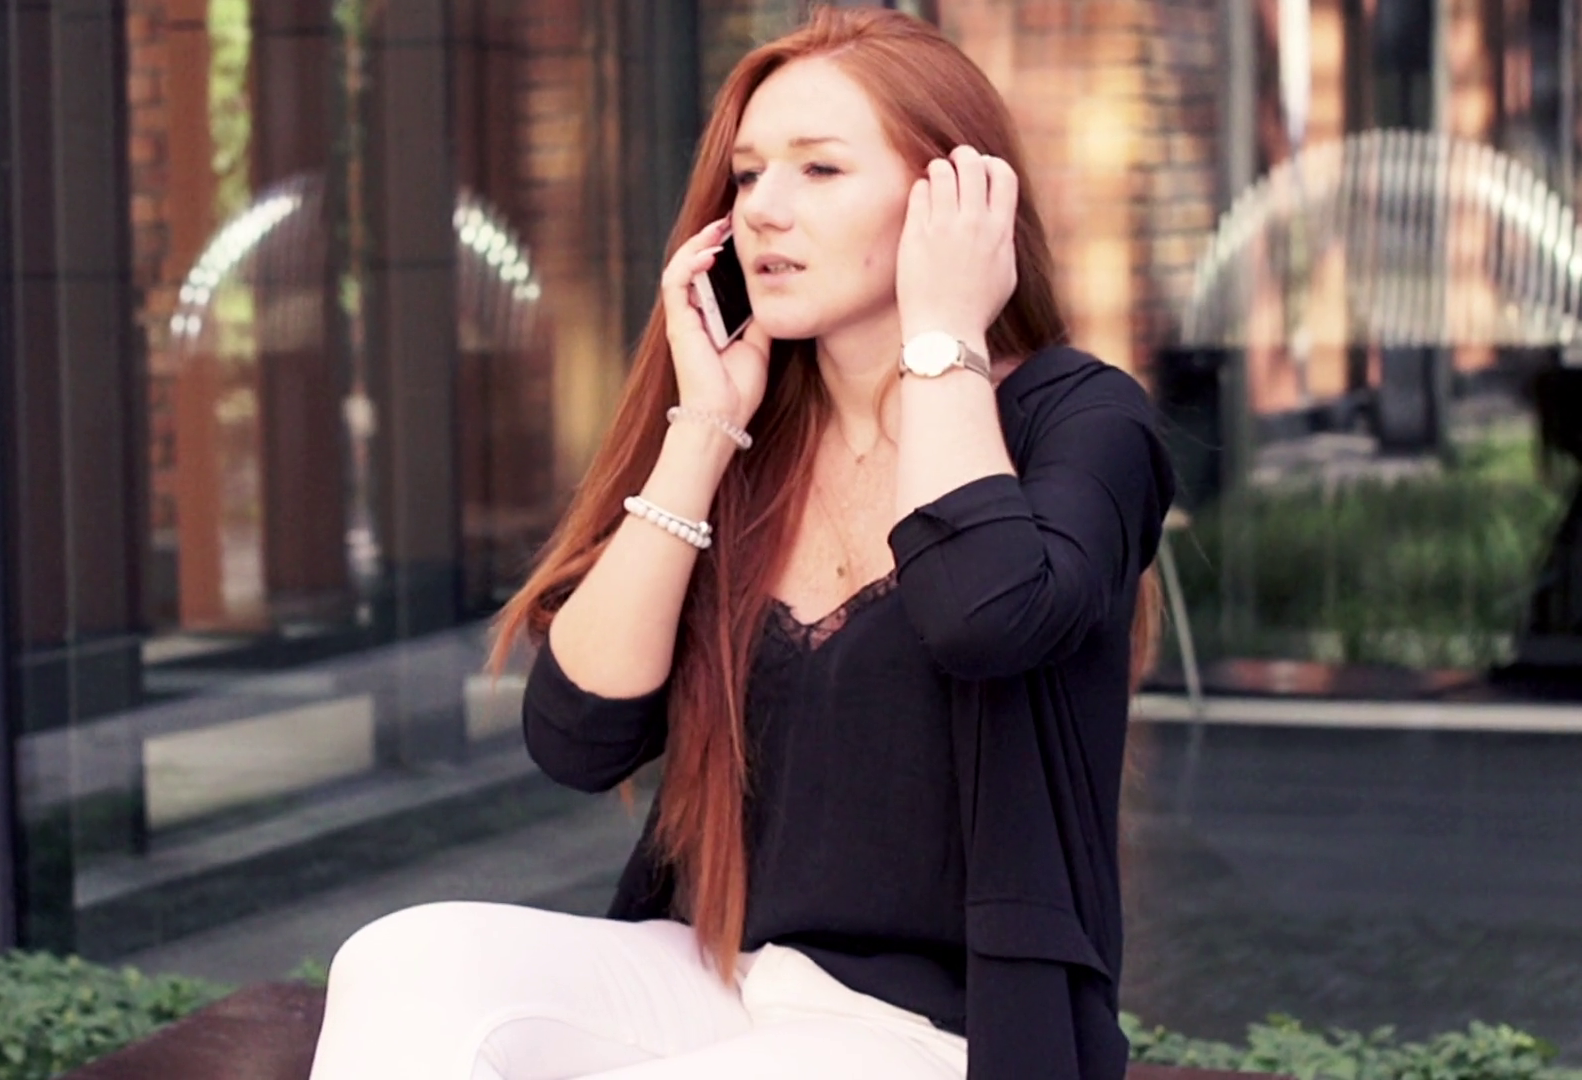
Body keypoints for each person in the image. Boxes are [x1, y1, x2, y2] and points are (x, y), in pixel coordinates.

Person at [307, 8, 1175, 1079]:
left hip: (942, 1032)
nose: (763, 207)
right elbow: (577, 737)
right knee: (403, 958)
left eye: (820, 169)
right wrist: (705, 427)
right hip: (719, 979)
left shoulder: (1082, 421)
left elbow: (984, 615)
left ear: (955, 198)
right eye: (749, 173)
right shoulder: (751, 431)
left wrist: (945, 335)